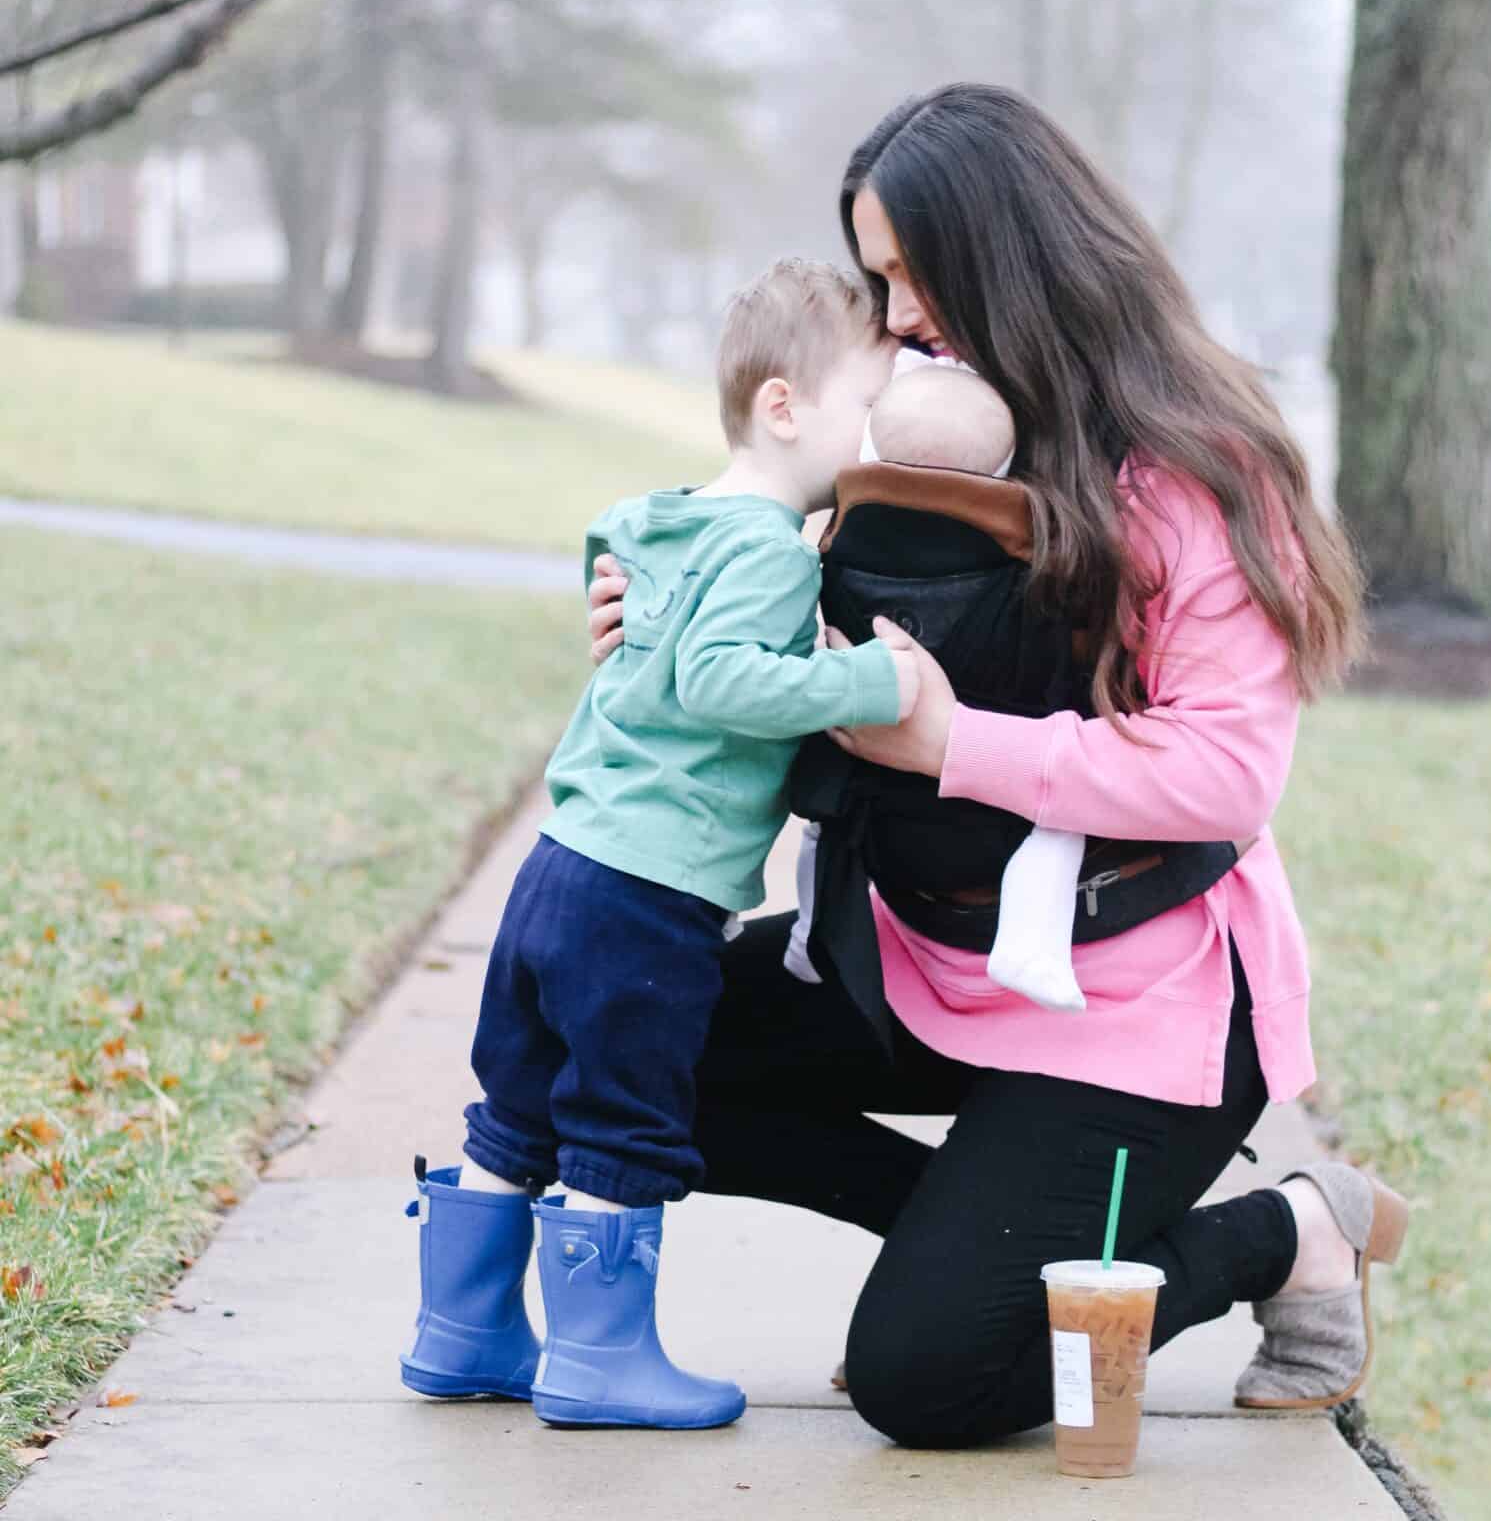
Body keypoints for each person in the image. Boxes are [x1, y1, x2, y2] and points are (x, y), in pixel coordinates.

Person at [587, 85, 1408, 1445]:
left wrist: (949, 744)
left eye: (916, 274)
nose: (896, 313)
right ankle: (978, 1267)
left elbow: (1218, 777)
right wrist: (664, 632)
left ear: (1009, 260)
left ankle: (1281, 1235)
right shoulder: (910, 448)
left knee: (933, 1384)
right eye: (877, 276)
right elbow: (786, 646)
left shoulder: (1194, 469)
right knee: (607, 1045)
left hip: (1136, 1009)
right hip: (911, 955)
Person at [400, 258, 913, 1430]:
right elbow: (721, 677)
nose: (879, 437)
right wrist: (869, 673)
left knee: (516, 1108)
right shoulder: (773, 549)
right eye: (867, 409)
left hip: (559, 866)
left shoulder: (663, 519)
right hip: (646, 898)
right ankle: (597, 1362)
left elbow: (611, 569)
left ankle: (461, 1334)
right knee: (623, 1117)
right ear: (785, 407)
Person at [785, 353, 1107, 1015]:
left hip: (857, 752)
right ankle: (1031, 939)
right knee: (1064, 821)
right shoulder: (1029, 539)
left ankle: (806, 933)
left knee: (822, 826)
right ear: (1005, 466)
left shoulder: (838, 534)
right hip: (1001, 755)